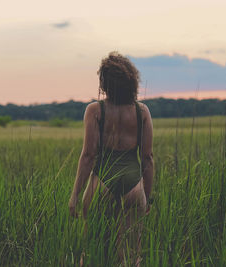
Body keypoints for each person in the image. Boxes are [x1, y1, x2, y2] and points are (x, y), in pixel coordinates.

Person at [68, 51, 154, 266]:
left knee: (91, 253)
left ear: (105, 83)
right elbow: (148, 158)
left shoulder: (95, 110)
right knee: (132, 256)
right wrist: (147, 197)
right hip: (134, 187)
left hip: (101, 186)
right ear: (131, 81)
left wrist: (75, 196)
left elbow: (88, 155)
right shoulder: (141, 111)